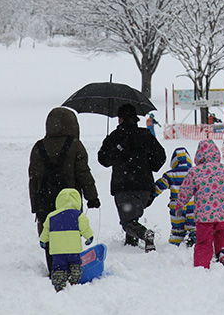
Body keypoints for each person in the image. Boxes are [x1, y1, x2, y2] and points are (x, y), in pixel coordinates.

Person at [29, 107, 100, 275]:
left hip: (45, 199)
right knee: (70, 231)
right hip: (70, 199)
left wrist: (35, 206)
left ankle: (54, 267)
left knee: (50, 232)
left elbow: (34, 180)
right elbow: (83, 173)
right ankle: (72, 266)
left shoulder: (38, 147)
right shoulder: (75, 145)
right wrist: (92, 197)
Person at [98, 103, 166, 252]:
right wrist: (150, 165)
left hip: (123, 186)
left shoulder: (115, 137)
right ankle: (131, 245)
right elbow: (160, 157)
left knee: (127, 221)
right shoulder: (146, 135)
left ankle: (144, 234)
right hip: (144, 187)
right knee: (132, 215)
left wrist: (112, 148)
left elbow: (103, 160)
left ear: (120, 119)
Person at [175, 139, 224, 268]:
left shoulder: (194, 172)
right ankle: (223, 251)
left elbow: (185, 190)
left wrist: (180, 204)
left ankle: (202, 264)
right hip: (222, 212)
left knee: (203, 240)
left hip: (204, 215)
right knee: (222, 231)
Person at [38, 188, 94, 292]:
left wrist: (43, 241)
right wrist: (89, 237)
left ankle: (59, 282)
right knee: (75, 264)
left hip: (57, 250)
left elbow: (46, 231)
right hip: (73, 249)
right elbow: (85, 228)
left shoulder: (51, 216)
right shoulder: (78, 215)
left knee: (59, 266)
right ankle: (74, 280)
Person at [153, 147, 196, 247]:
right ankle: (193, 239)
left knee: (177, 229)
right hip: (193, 205)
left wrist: (152, 193)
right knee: (193, 226)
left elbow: (160, 186)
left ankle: (175, 244)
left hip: (176, 206)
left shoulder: (170, 174)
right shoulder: (195, 173)